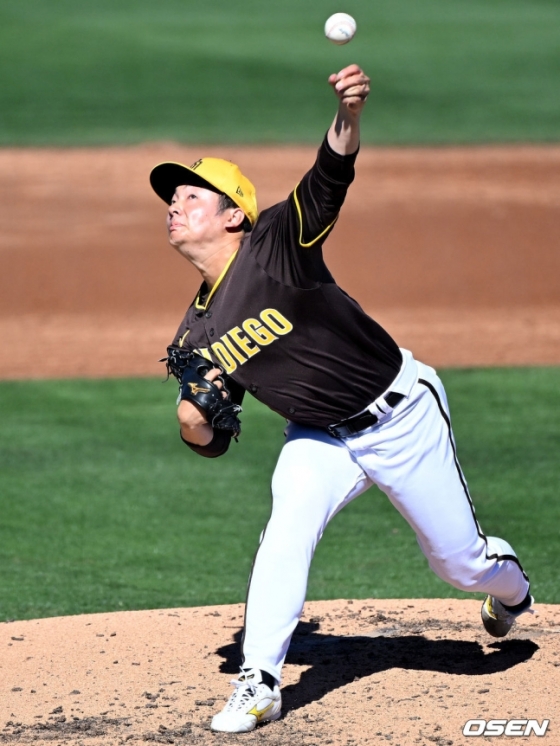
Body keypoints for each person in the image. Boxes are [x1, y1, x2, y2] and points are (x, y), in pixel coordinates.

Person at [149, 64, 533, 734]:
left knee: (460, 563)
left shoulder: (275, 244)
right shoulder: (195, 333)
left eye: (190, 195)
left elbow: (330, 173)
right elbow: (213, 434)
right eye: (172, 200)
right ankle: (259, 681)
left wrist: (347, 114)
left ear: (234, 215)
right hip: (320, 436)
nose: (174, 206)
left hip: (401, 414)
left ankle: (513, 590)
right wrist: (193, 424)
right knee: (285, 527)